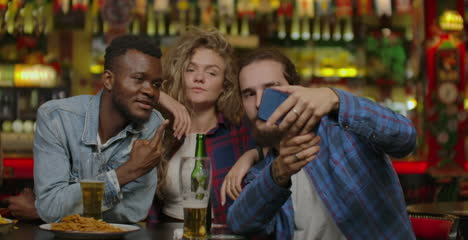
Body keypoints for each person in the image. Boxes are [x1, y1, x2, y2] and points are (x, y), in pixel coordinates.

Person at [226, 48, 417, 239]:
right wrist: (278, 172)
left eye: (270, 88)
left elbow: (406, 138)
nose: (259, 102)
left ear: (295, 90)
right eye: (249, 94)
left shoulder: (343, 130)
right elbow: (241, 223)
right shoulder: (264, 171)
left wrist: (335, 98)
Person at [33, 35, 190, 223]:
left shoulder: (153, 125)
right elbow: (51, 208)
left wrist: (68, 204)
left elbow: (133, 212)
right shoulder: (57, 118)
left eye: (156, 84)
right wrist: (128, 171)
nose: (150, 91)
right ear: (108, 79)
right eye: (138, 79)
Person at [147, 27, 255, 226]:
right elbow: (119, 92)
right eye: (191, 69)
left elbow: (276, 153)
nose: (199, 78)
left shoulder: (239, 131)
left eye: (211, 73)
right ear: (180, 74)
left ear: (225, 85)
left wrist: (252, 155)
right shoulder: (161, 128)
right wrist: (162, 98)